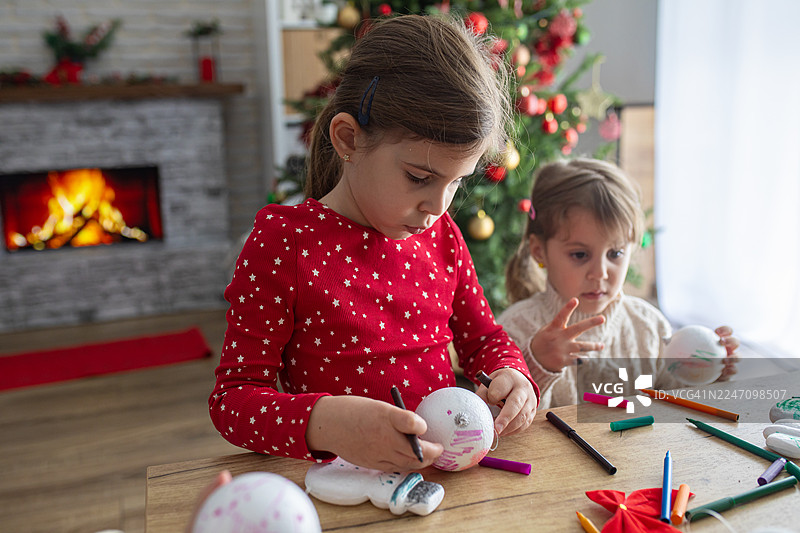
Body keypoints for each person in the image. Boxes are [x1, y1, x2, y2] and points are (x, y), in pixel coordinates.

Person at [209, 14, 539, 473]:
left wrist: (512, 375)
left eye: (457, 183)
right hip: (341, 494)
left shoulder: (442, 236)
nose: (438, 206)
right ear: (348, 139)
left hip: (442, 489)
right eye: (420, 177)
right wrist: (325, 423)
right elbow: (233, 401)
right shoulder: (285, 242)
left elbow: (483, 338)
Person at [498, 158, 738, 410]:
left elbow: (673, 402)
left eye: (615, 254)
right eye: (580, 255)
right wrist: (538, 366)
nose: (600, 273)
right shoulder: (515, 329)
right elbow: (501, 424)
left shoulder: (648, 326)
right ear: (539, 251)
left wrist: (708, 375)